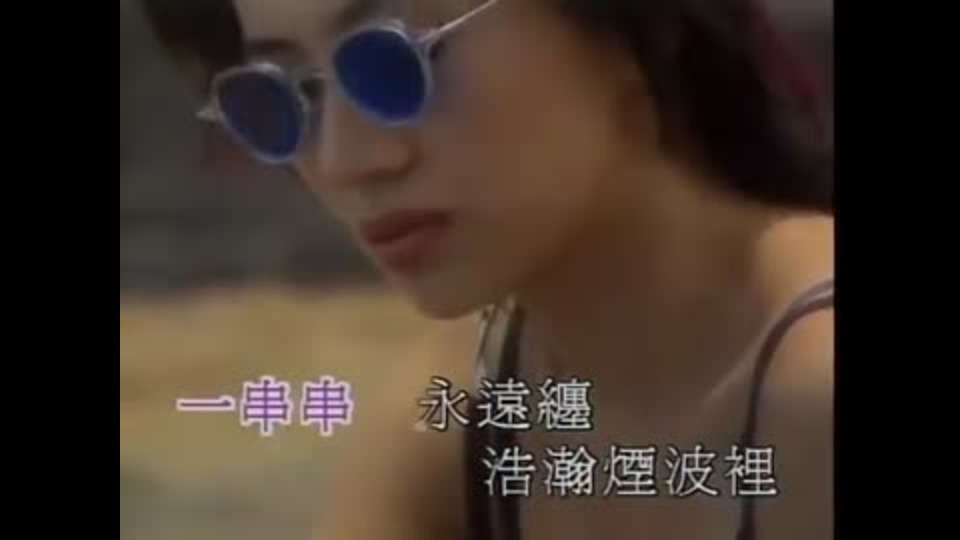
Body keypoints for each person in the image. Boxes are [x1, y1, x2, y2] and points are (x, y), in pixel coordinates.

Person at [141, 1, 834, 539]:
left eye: (398, 60)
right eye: (285, 96)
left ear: (627, 28)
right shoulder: (466, 416)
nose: (345, 160)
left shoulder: (814, 395)